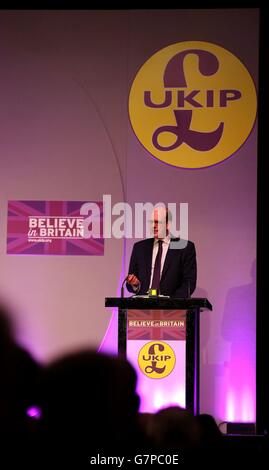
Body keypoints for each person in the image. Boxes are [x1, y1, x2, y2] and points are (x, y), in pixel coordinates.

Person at [126, 206, 197, 297]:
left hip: (171, 307)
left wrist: (171, 302)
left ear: (168, 224)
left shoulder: (184, 247)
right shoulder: (140, 248)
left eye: (157, 222)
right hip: (143, 306)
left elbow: (189, 283)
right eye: (151, 222)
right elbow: (129, 284)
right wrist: (135, 284)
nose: (153, 226)